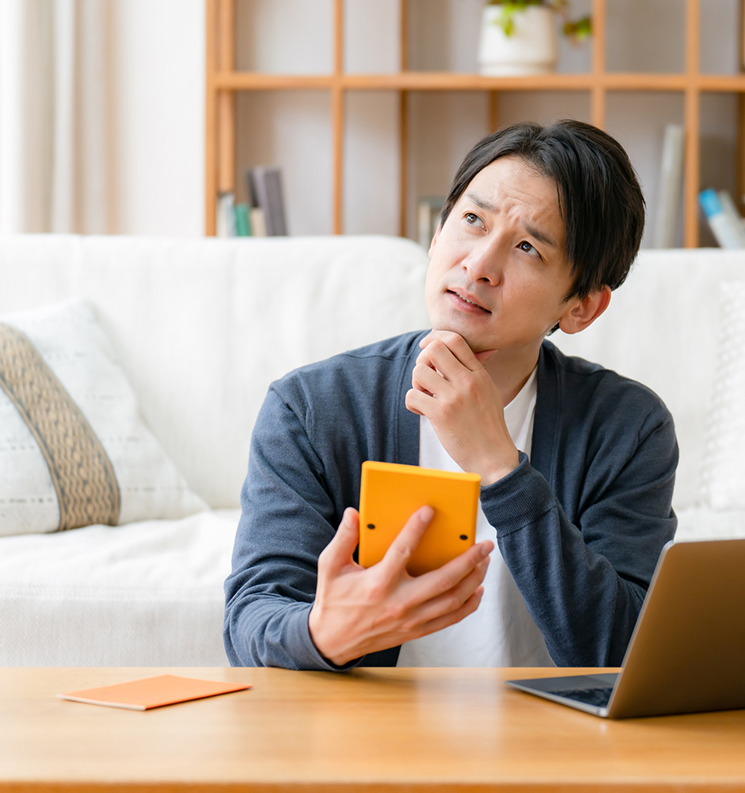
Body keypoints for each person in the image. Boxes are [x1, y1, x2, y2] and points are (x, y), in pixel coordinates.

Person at [224, 119, 678, 670]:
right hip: (367, 744)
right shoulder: (312, 409)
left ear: (581, 306)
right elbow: (250, 621)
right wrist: (324, 634)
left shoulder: (629, 428)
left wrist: (500, 466)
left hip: (551, 748)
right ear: (436, 234)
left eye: (528, 248)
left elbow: (620, 652)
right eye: (471, 221)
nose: (479, 265)